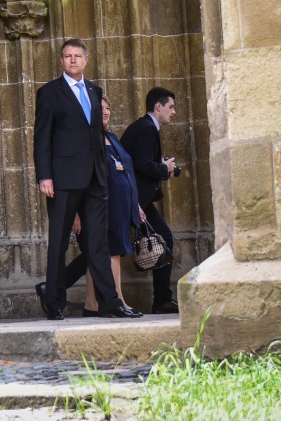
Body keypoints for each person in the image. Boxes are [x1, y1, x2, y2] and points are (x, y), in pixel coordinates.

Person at [33, 39, 137, 320]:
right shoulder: (49, 92)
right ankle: (54, 301)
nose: (72, 60)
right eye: (67, 56)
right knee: (58, 242)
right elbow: (42, 137)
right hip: (64, 179)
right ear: (62, 61)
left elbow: (96, 135)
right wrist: (44, 175)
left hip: (95, 178)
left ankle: (110, 303)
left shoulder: (94, 90)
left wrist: (103, 173)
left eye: (77, 56)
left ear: (86, 60)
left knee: (98, 243)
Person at [79, 96, 145, 317]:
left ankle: (91, 304)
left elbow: (127, 172)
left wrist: (135, 204)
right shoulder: (88, 140)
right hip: (100, 207)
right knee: (110, 253)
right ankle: (119, 302)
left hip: (120, 206)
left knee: (101, 255)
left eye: (108, 108)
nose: (105, 112)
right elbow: (80, 179)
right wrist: (76, 214)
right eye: (101, 109)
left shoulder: (112, 138)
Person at [121, 86, 180, 314]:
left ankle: (163, 299)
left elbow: (143, 160)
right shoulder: (146, 129)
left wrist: (165, 167)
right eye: (171, 107)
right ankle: (162, 300)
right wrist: (164, 168)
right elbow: (143, 165)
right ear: (158, 106)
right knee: (104, 247)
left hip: (137, 198)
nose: (173, 112)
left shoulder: (145, 127)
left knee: (104, 246)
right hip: (133, 199)